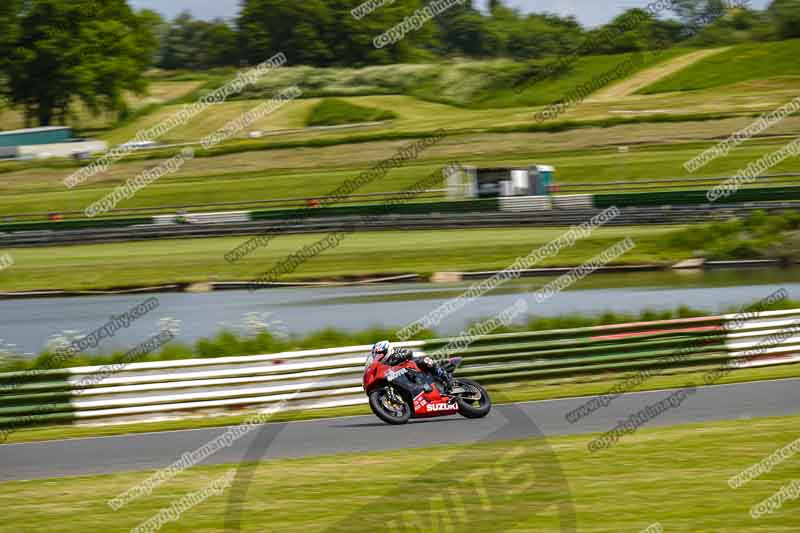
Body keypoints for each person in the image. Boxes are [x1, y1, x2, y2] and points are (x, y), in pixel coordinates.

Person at [371, 340, 457, 393]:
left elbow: (409, 352)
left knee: (425, 360)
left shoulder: (396, 352)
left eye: (379, 353)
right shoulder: (386, 364)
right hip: (409, 378)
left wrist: (400, 357)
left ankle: (447, 379)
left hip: (415, 366)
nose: (379, 356)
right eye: (377, 355)